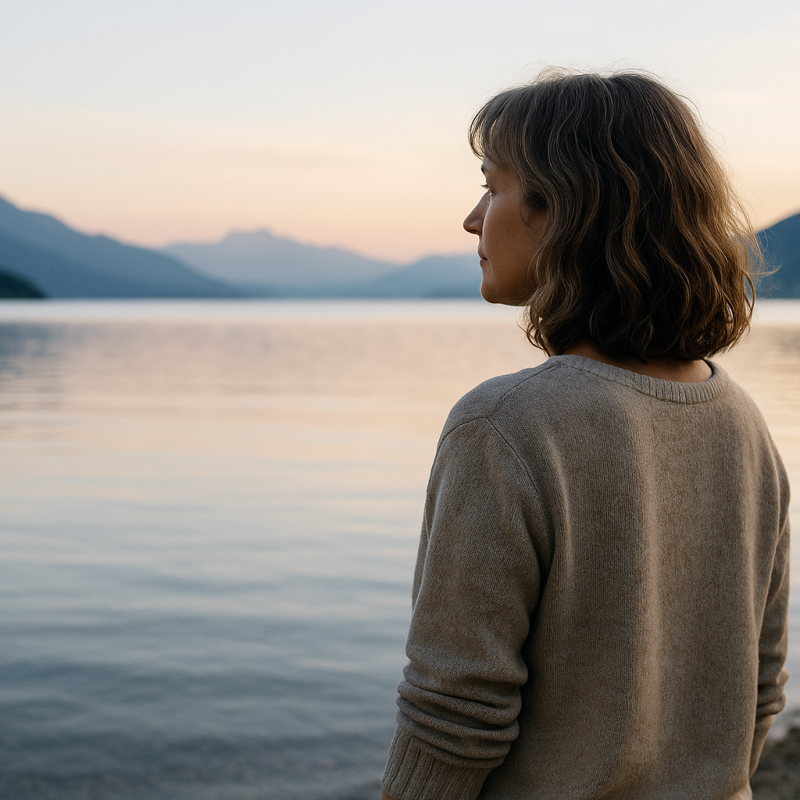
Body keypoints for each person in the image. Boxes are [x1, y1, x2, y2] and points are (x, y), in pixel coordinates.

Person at [380, 70, 790, 800]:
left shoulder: (505, 426)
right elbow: (757, 687)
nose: (473, 220)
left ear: (564, 209)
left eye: (492, 186)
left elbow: (453, 713)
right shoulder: (744, 425)